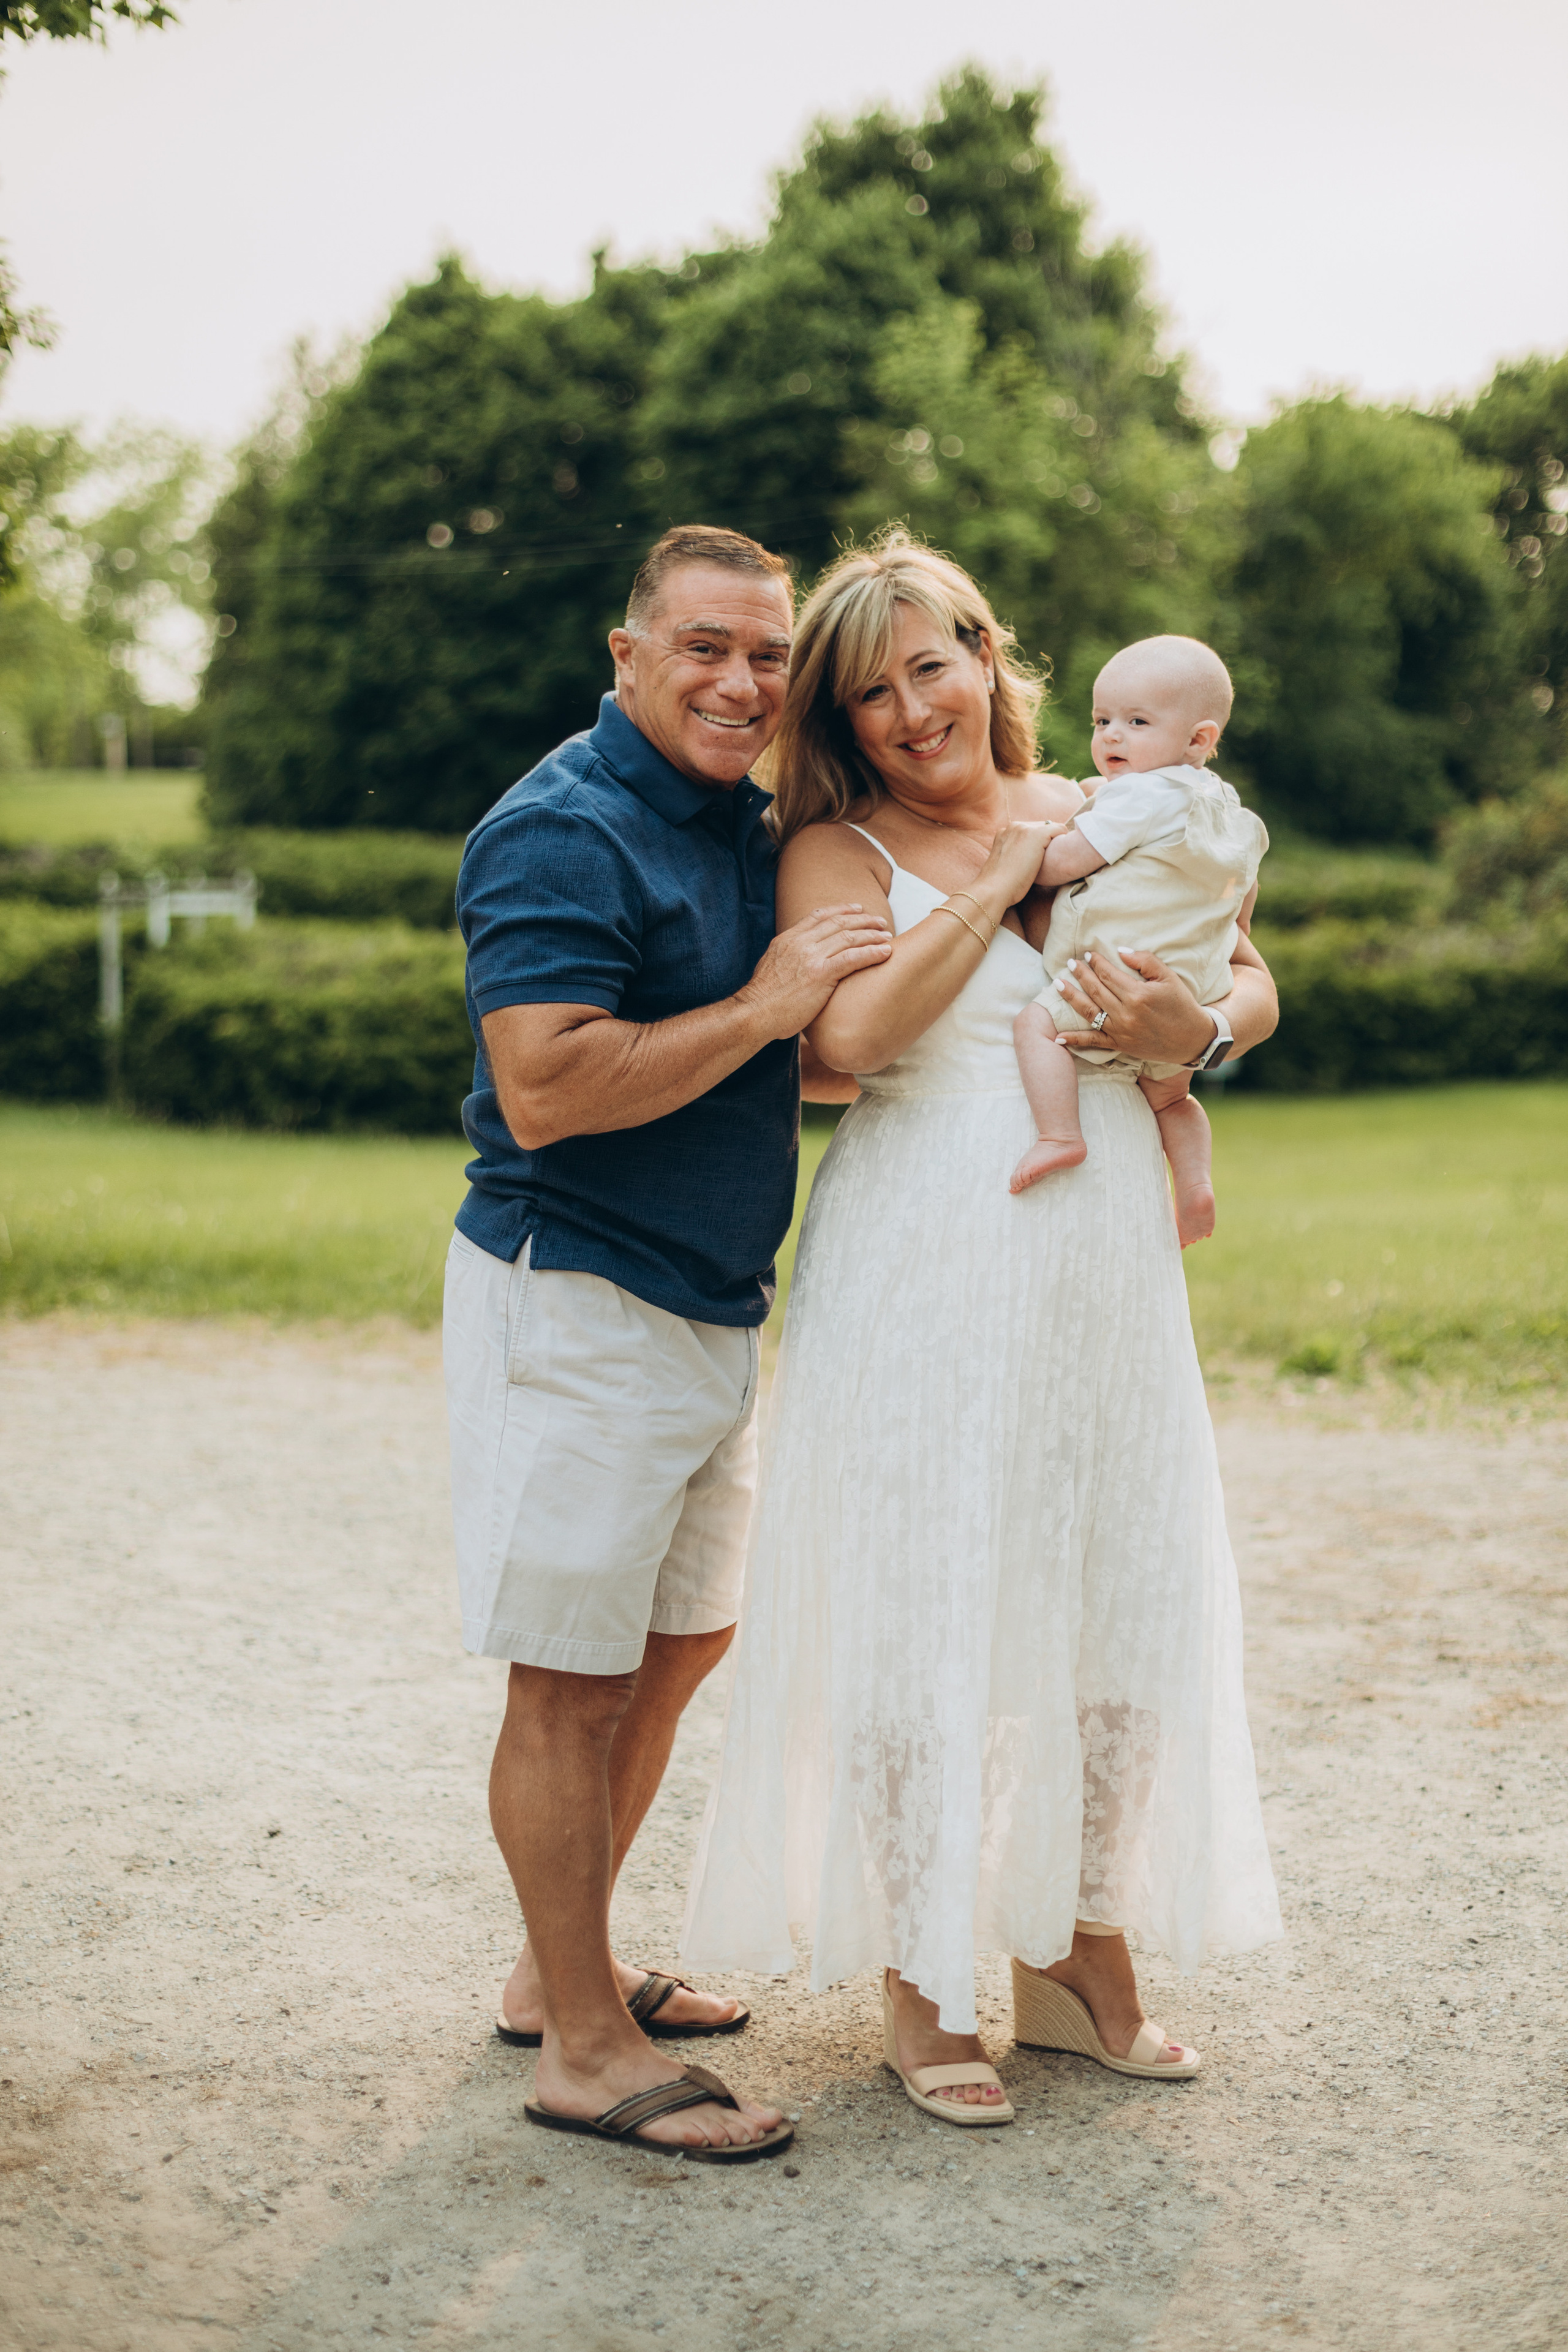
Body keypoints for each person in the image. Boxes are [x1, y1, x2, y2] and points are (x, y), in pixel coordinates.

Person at [681, 532, 1284, 2128]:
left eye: (929, 667)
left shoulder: (1105, 799)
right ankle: (925, 1968)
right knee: (919, 1595)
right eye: (868, 694)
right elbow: (859, 1035)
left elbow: (1243, 964)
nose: (909, 710)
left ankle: (1079, 1949)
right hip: (924, 1248)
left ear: (983, 655)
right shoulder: (833, 849)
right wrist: (1005, 882)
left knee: (1118, 1590)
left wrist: (1200, 1028)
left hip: (1102, 1251)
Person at [443, 524, 891, 2161]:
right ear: (627, 654)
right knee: (569, 1680)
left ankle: (555, 1969)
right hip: (576, 1297)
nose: (742, 681)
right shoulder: (558, 830)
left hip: (707, 1303)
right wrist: (769, 1004)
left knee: (681, 1641)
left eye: (768, 654)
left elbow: (792, 1055)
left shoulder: (743, 824)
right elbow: (550, 1086)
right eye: (705, 646)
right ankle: (580, 2046)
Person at [1010, 634, 1268, 1246]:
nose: (1111, 737)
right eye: (1101, 721)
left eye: (1136, 722)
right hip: (1194, 987)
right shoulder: (1231, 810)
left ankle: (1059, 1134)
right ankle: (1196, 1186)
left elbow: (1066, 862)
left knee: (1034, 1027)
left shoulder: (1140, 796)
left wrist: (1028, 850)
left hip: (1115, 978)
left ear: (1198, 740)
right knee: (1170, 1097)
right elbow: (1243, 904)